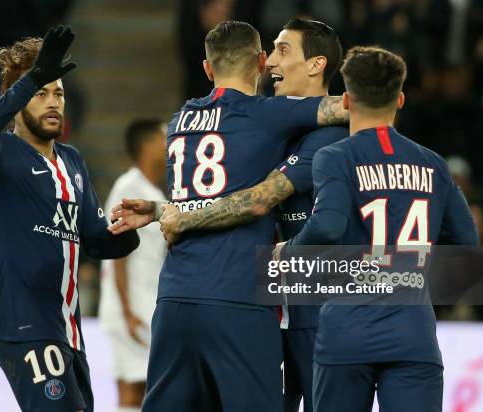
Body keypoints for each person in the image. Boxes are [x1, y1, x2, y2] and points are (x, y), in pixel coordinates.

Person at [109, 20, 348, 412]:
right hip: (240, 297)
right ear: (257, 62)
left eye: (283, 51)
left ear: (206, 69)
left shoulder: (179, 121)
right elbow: (352, 107)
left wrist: (162, 211)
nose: (272, 60)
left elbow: (202, 196)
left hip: (176, 298)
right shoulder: (266, 114)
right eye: (269, 52)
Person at [282, 46, 478, 412]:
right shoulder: (432, 164)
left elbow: (327, 225)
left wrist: (288, 252)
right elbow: (466, 242)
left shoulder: (335, 156)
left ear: (345, 99)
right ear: (400, 98)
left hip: (347, 328)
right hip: (412, 331)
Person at [0, 26, 140, 412]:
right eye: (41, 92)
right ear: (16, 99)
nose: (53, 102)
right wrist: (32, 79)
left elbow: (93, 238)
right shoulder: (1, 153)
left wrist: (128, 232)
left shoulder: (73, 161)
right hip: (24, 324)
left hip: (68, 331)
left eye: (58, 93)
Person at [99, 119, 167, 412]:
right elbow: (118, 252)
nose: (169, 143)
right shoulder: (127, 187)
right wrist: (126, 310)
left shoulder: (158, 194)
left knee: (152, 389)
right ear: (145, 145)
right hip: (130, 310)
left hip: (149, 305)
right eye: (162, 137)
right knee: (131, 390)